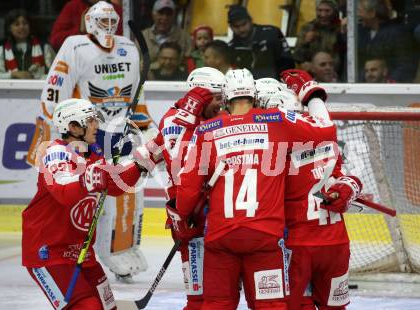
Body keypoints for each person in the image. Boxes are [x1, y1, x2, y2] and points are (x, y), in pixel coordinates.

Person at [172, 68, 339, 309]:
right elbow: (327, 130)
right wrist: (312, 94)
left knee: (217, 303)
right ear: (254, 95)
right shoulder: (276, 121)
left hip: (221, 237)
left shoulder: (205, 130)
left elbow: (187, 192)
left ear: (226, 97)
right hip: (265, 236)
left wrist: (185, 217)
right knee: (269, 304)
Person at [27, 1, 152, 283]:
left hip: (119, 129)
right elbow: (52, 95)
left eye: (112, 21)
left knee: (132, 187)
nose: (108, 27)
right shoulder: (75, 46)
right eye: (102, 21)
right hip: (87, 130)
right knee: (83, 192)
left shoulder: (129, 48)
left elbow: (138, 96)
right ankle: (69, 247)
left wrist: (143, 126)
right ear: (89, 21)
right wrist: (64, 132)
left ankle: (122, 248)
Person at [22, 98, 147, 309]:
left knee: (108, 307)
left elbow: (114, 186)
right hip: (49, 253)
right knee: (88, 307)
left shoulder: (94, 152)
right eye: (89, 121)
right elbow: (64, 193)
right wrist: (93, 176)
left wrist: (144, 160)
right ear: (72, 127)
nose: (96, 125)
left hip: (82, 253)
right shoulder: (55, 153)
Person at [134, 66, 226, 310]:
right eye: (217, 97)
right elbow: (167, 158)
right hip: (189, 216)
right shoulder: (176, 121)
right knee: (199, 296)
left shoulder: (211, 119)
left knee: (220, 293)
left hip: (214, 215)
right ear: (200, 95)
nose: (222, 103)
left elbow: (150, 152)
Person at [280, 69, 363, 309]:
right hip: (335, 244)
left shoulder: (273, 152)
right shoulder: (326, 140)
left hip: (296, 246)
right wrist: (346, 190)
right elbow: (348, 178)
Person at [227, 5, 294, 79]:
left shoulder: (272, 33)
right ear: (230, 27)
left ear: (251, 20)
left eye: (244, 24)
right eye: (236, 26)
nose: (241, 29)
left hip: (276, 85)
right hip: (248, 87)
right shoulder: (231, 47)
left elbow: (288, 61)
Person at [357, 0, 417, 82]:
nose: (357, 15)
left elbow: (405, 66)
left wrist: (389, 84)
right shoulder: (360, 33)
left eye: (359, 11)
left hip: (390, 90)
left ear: (372, 13)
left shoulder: (397, 33)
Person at [0, 9, 55, 79]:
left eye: (25, 23)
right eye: (17, 24)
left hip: (39, 89)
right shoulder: (2, 50)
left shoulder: (45, 48)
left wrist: (36, 77)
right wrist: (13, 74)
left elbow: (56, 74)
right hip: (11, 89)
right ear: (9, 28)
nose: (21, 27)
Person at [293, 0, 345, 80]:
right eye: (319, 10)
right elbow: (297, 57)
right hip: (312, 77)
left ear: (334, 11)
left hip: (338, 75)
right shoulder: (307, 28)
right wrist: (305, 42)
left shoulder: (341, 28)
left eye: (327, 11)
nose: (323, 14)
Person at [49, 0, 123, 51]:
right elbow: (55, 41)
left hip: (108, 65)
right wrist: (79, 31)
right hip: (79, 64)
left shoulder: (117, 12)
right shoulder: (73, 6)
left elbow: (123, 43)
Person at [142, 0, 192, 66]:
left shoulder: (184, 37)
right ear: (153, 14)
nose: (165, 17)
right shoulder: (142, 36)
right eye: (161, 13)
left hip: (177, 76)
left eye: (169, 14)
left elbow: (189, 64)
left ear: (174, 16)